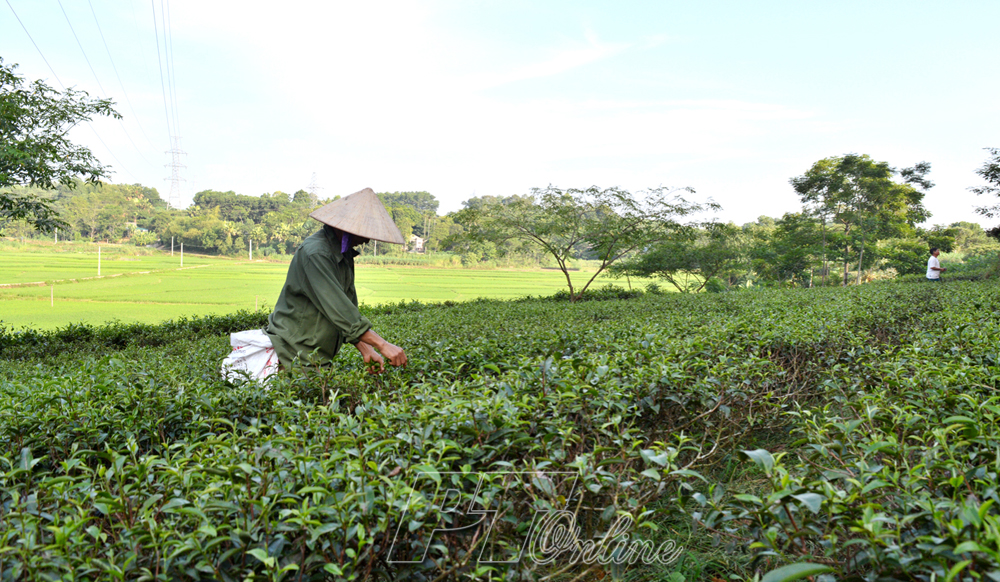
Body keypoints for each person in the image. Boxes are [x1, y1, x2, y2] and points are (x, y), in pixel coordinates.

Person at [265, 187, 408, 373]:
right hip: (295, 353)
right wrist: (382, 344)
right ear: (346, 229)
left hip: (316, 355)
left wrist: (366, 349)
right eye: (364, 233)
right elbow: (338, 307)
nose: (366, 241)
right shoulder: (316, 253)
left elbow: (346, 307)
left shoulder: (343, 253)